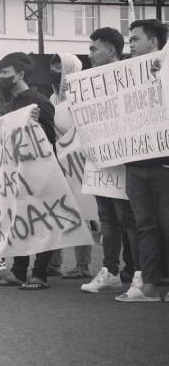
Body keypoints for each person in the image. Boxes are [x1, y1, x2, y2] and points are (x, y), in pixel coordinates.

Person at [78, 28, 139, 295]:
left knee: (128, 219)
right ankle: (111, 271)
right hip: (98, 159)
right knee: (107, 220)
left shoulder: (130, 74)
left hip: (123, 158)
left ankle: (139, 272)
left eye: (94, 49)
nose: (90, 54)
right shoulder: (87, 80)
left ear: (111, 50)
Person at [0, 52, 56, 291]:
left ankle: (39, 274)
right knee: (18, 220)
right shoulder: (10, 105)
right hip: (16, 174)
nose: (1, 79)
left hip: (40, 175)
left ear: (20, 74)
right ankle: (18, 271)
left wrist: (35, 125)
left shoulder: (39, 102)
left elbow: (51, 139)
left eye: (5, 74)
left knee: (42, 223)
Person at [116, 19, 169, 302]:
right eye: (130, 39)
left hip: (164, 162)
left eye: (136, 39)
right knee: (145, 225)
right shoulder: (125, 74)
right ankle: (149, 284)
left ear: (153, 41)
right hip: (135, 163)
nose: (131, 44)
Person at [46, 53, 94, 280]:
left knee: (80, 213)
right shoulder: (53, 99)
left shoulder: (81, 96)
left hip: (77, 162)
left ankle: (82, 265)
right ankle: (53, 262)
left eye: (60, 66)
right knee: (54, 212)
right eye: (53, 66)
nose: (56, 70)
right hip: (56, 162)